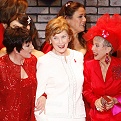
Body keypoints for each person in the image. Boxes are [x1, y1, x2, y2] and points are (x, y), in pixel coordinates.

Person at [35, 16, 86, 121]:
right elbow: (39, 99)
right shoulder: (44, 61)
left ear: (69, 37)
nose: (60, 42)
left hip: (78, 116)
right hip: (53, 117)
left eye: (63, 36)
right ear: (50, 39)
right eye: (55, 38)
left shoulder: (78, 57)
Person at [83, 13, 121, 121]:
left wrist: (115, 100)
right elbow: (86, 90)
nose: (92, 49)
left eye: (97, 46)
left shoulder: (119, 65)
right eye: (93, 44)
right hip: (96, 116)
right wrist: (95, 101)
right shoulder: (88, 65)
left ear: (108, 49)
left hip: (117, 115)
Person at [0, 27, 37, 121]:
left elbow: (42, 84)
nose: (32, 48)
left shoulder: (32, 61)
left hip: (30, 117)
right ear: (16, 49)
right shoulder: (1, 66)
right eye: (28, 45)